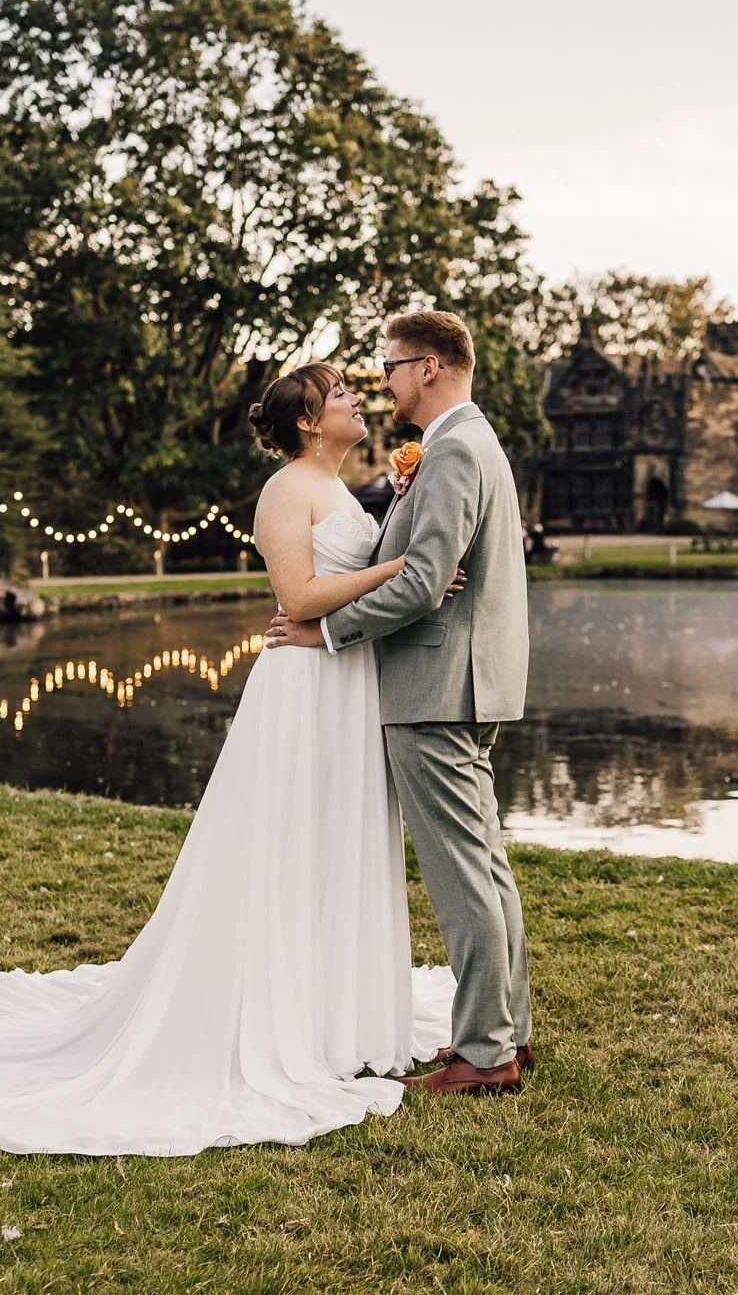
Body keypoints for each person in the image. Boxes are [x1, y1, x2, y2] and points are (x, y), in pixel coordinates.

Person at [0, 362, 464, 1157]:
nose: (354, 400)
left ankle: (340, 1007)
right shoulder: (284, 491)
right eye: (338, 394)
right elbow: (296, 599)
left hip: (348, 679)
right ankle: (279, 1013)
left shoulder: (348, 485)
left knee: (335, 841)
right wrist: (405, 570)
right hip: (304, 687)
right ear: (305, 420)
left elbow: (348, 586)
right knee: (286, 843)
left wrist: (406, 533)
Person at [267, 310, 534, 1096]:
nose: (382, 380)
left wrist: (328, 633)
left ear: (429, 368)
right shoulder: (470, 441)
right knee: (484, 866)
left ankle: (485, 1055)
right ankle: (506, 1034)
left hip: (434, 685)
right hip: (464, 680)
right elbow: (421, 569)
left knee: (462, 877)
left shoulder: (453, 448)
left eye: (390, 365)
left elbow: (423, 582)